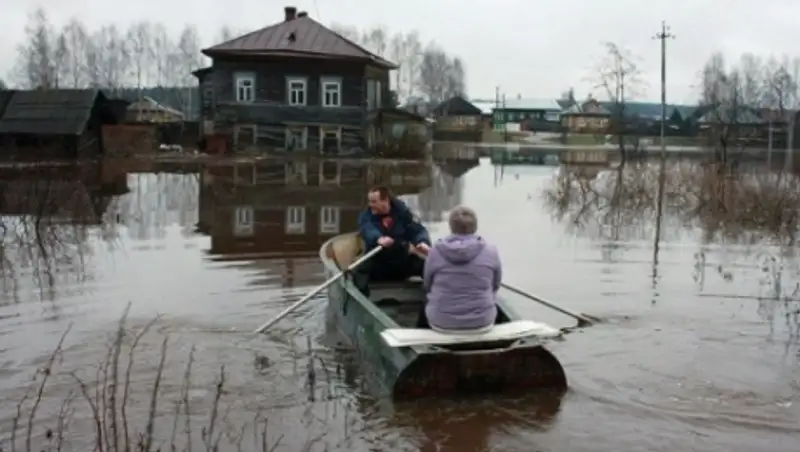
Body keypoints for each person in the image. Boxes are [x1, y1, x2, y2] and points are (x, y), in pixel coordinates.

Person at [420, 206, 502, 331]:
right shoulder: (491, 251)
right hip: (482, 323)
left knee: (425, 304)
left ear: (451, 226)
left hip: (442, 323)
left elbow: (427, 284)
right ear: (475, 226)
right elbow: (495, 285)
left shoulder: (435, 251)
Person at [353, 186, 431, 297]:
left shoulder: (403, 214)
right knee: (361, 271)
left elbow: (417, 230)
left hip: (400, 262)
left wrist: (422, 242)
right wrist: (378, 238)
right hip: (378, 264)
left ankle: (436, 296)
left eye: (374, 202)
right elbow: (367, 229)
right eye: (369, 201)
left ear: (385, 200)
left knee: (427, 266)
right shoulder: (366, 216)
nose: (370, 205)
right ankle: (361, 299)